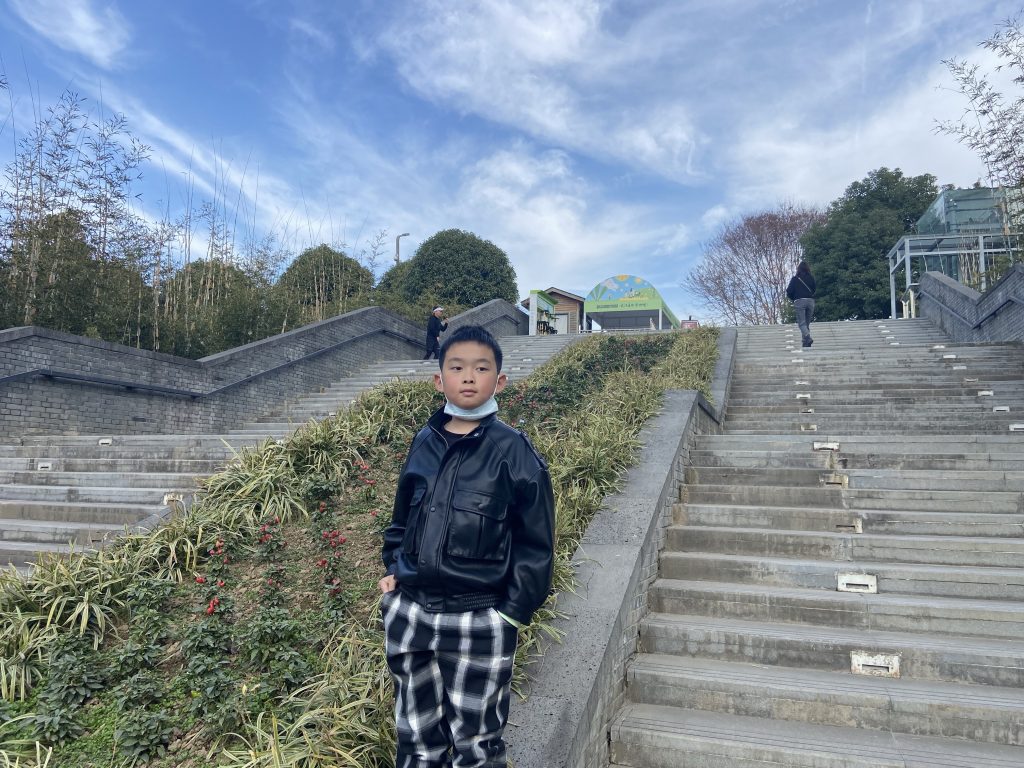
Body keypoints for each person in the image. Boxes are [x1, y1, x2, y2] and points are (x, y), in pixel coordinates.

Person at [379, 324, 555, 768]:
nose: (469, 377)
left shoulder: (514, 451)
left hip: (479, 616)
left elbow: (536, 543)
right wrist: (394, 570)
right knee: (416, 737)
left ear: (500, 381)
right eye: (457, 368)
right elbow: (401, 519)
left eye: (481, 368)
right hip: (411, 612)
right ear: (439, 380)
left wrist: (510, 614)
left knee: (477, 745)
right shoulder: (424, 441)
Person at [786, 261, 817, 347]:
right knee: (806, 324)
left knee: (802, 323)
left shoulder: (795, 279)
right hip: (810, 301)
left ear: (798, 269)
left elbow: (789, 291)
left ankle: (807, 337)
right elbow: (814, 289)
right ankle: (805, 342)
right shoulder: (811, 278)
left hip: (799, 301)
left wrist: (794, 298)